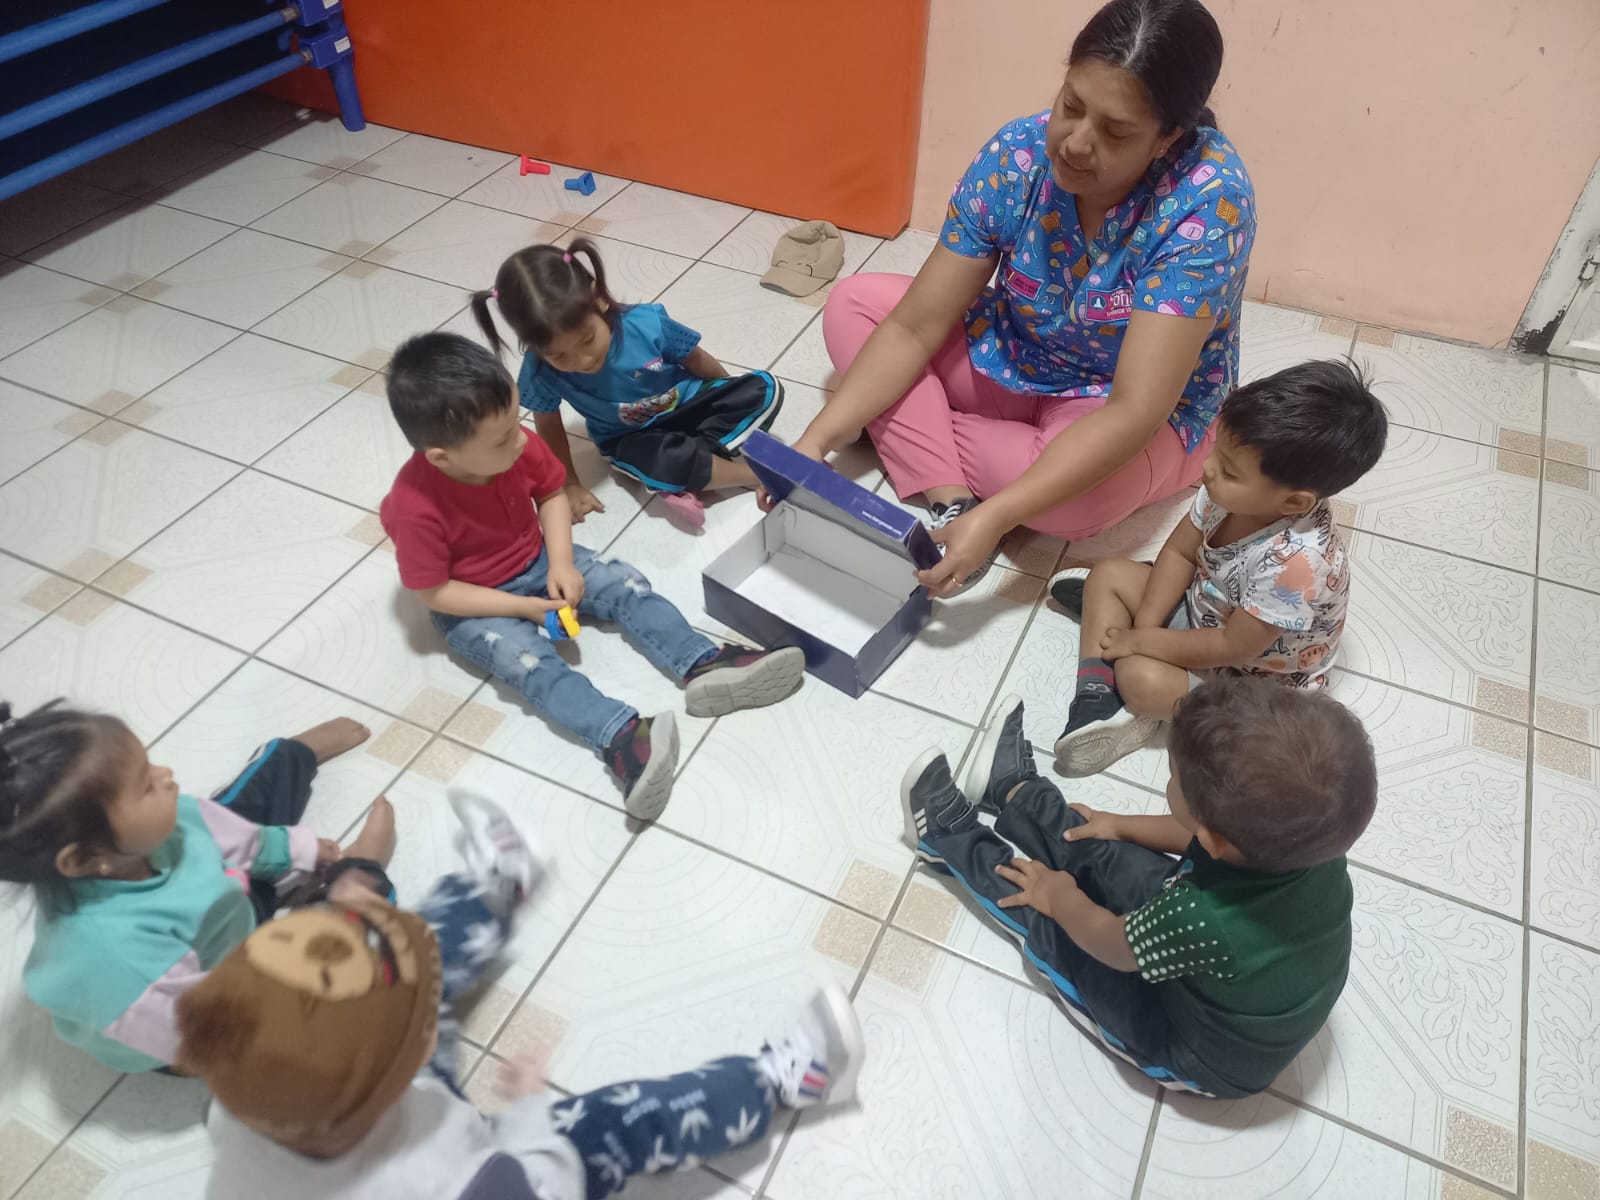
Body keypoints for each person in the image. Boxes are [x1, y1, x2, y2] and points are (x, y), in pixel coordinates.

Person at [178, 789, 867, 1200]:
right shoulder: (471, 1186)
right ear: (399, 1070)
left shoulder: (242, 1093)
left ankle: (499, 885)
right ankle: (784, 1083)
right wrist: (532, 1117)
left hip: (408, 1118)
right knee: (617, 1124)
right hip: (504, 1161)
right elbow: (548, 1184)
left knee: (412, 964)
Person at [780, 0, 1254, 595]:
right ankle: (951, 494)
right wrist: (814, 443)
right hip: (1018, 352)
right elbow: (913, 326)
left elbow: (1136, 410)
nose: (1075, 143)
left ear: (1168, 138)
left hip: (1125, 405)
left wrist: (998, 516)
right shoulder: (1019, 155)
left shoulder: (1207, 202)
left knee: (1078, 504)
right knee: (854, 306)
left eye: (1114, 132)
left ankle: (910, 427)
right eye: (1071, 106)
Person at [378, 332, 805, 822]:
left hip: (539, 558)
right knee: (529, 664)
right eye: (501, 439)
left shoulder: (516, 445)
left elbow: (551, 494)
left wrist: (561, 563)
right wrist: (522, 608)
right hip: (476, 600)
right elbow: (436, 592)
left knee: (625, 584)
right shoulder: (413, 508)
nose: (520, 439)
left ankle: (703, 662)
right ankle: (624, 738)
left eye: (516, 421)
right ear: (442, 457)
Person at [899, 679, 1377, 1098]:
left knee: (1051, 924)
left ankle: (947, 838)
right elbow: (1197, 837)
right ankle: (1013, 790)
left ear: (1215, 836)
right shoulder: (1307, 845)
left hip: (1186, 1049)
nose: (1169, 782)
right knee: (1108, 851)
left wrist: (1059, 899)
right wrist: (1118, 825)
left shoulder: (1200, 916)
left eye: (1172, 777)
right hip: (1219, 957)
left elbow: (1114, 945)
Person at [0, 700, 395, 1072]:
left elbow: (240, 838)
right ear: (84, 857)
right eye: (145, 786)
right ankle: (364, 867)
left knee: (238, 807)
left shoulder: (165, 824)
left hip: (228, 912)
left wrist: (298, 851)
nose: (166, 775)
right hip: (191, 1021)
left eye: (149, 765)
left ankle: (295, 755)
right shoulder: (122, 960)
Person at [1048, 359, 1388, 775]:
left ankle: (1128, 709)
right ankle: (1097, 695)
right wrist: (1146, 628)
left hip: (1250, 683)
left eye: (1228, 469)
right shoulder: (1226, 492)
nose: (1208, 469)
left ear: (1293, 502)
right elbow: (1178, 554)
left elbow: (1233, 645)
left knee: (1139, 678)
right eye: (1218, 452)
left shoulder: (1298, 564)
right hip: (1207, 613)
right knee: (1108, 574)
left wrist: (1143, 644)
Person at [472, 238, 784, 529]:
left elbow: (697, 360)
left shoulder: (646, 323)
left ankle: (693, 468)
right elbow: (548, 426)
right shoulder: (540, 369)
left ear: (599, 300)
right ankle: (748, 473)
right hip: (632, 437)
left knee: (764, 387)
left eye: (587, 339)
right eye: (559, 355)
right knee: (662, 460)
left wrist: (725, 394)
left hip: (690, 404)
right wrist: (569, 484)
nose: (582, 359)